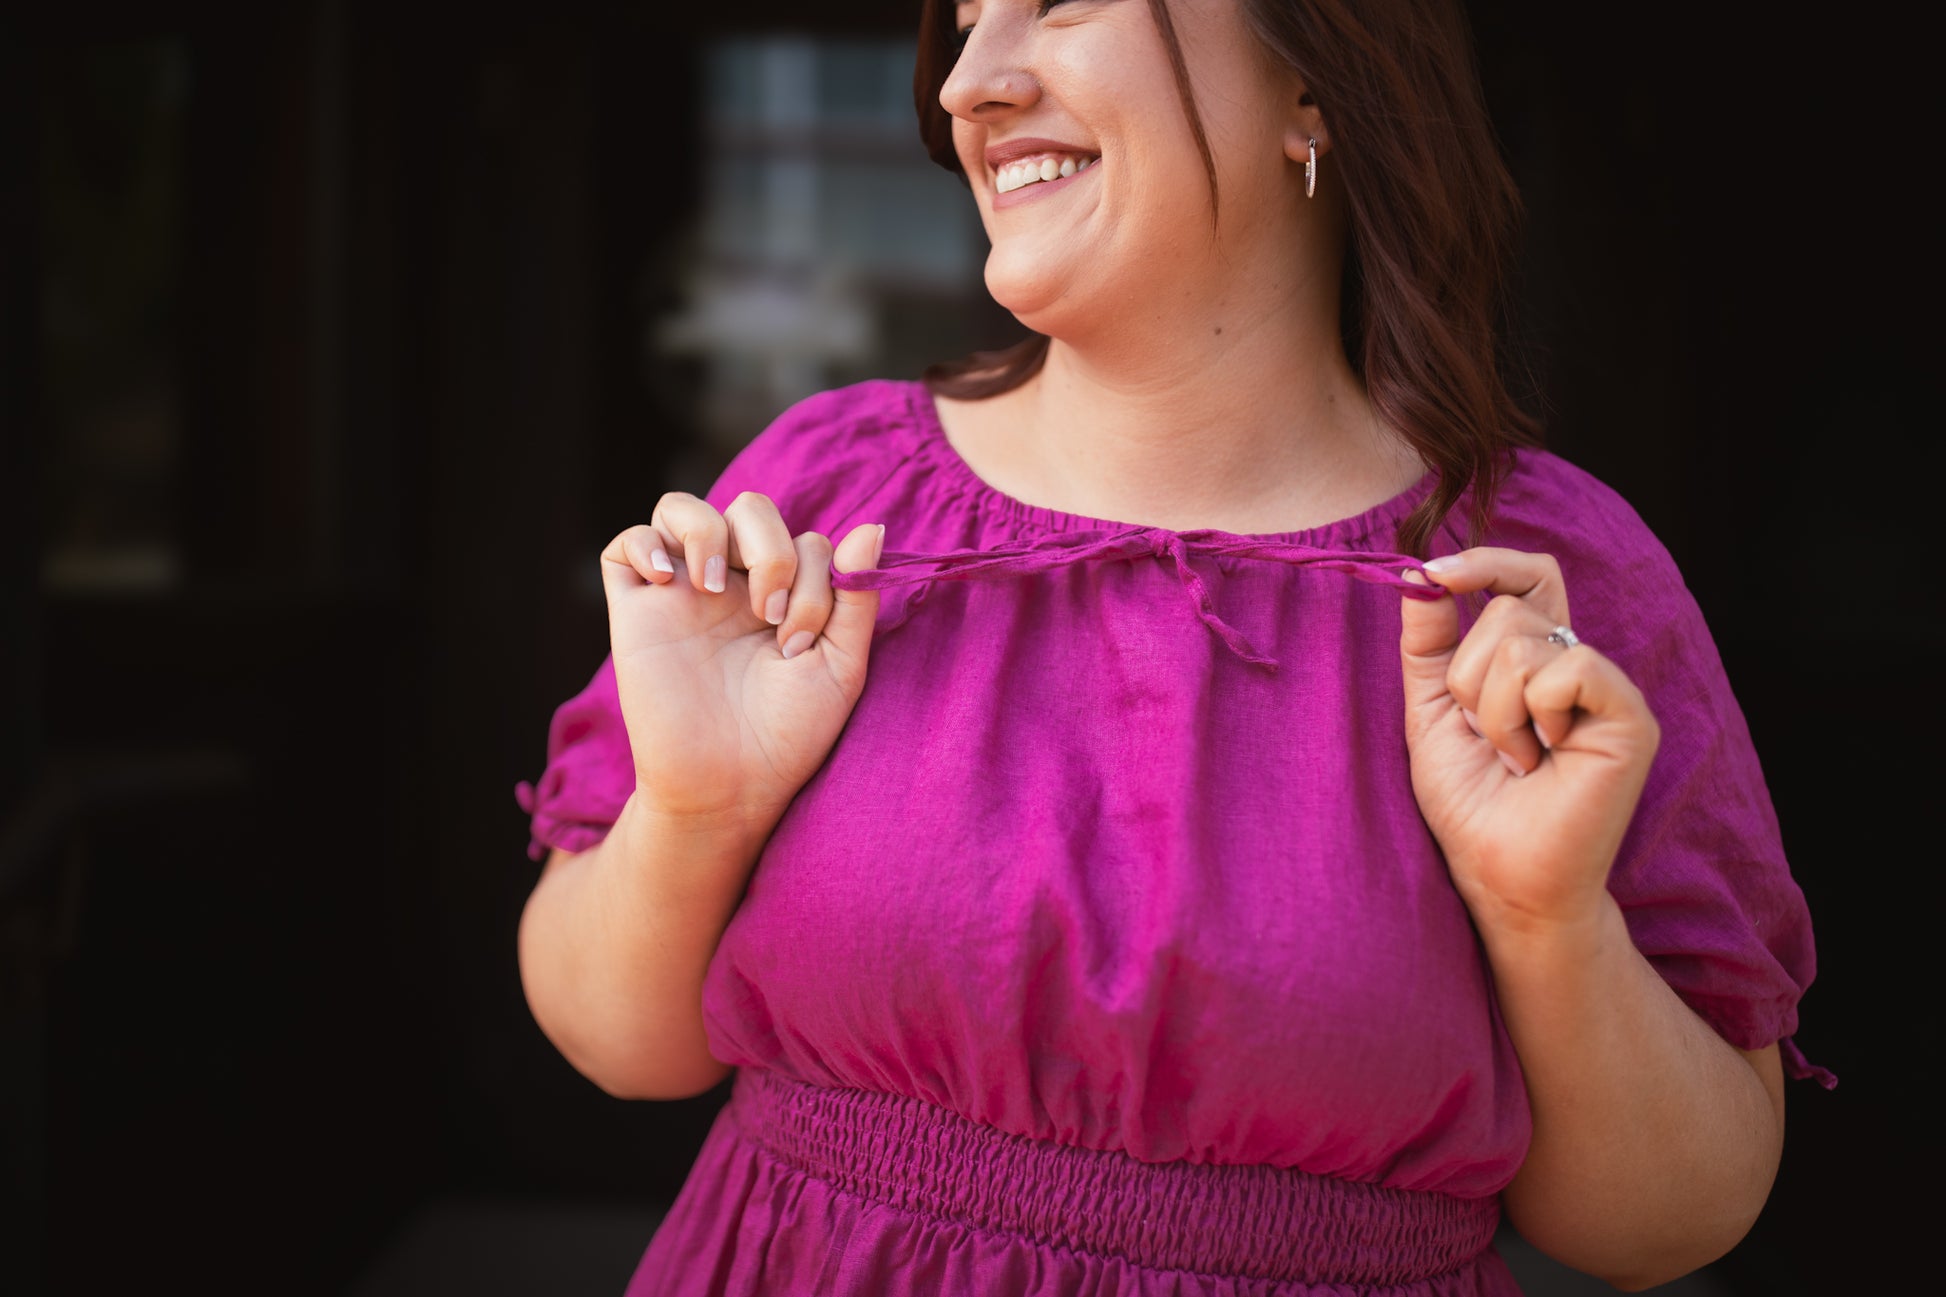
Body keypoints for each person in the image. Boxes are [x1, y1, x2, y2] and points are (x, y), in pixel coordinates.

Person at [513, 1, 1829, 1292]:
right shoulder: (826, 492)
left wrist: (1549, 922)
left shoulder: (1543, 586)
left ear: (1315, 78)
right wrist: (695, 812)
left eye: (1057, 2)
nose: (969, 80)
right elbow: (618, 1040)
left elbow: (1666, 1223)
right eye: (966, 19)